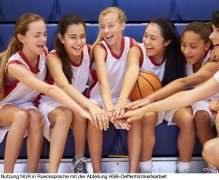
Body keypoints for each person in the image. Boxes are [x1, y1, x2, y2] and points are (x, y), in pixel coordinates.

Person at [122, 9, 219, 173]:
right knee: (211, 151)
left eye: (218, 31)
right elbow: (187, 96)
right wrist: (145, 107)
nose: (211, 36)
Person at [0, 13, 91, 173]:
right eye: (37, 36)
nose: (43, 39)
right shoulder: (15, 65)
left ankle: (32, 173)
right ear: (22, 38)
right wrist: (82, 109)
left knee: (34, 117)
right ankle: (7, 174)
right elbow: (50, 88)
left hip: (27, 106)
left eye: (44, 34)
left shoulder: (43, 53)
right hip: (5, 107)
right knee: (22, 116)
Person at [38, 14, 110, 173]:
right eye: (73, 37)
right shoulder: (53, 57)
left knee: (80, 112)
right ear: (61, 38)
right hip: (52, 102)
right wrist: (90, 106)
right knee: (68, 114)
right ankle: (52, 173)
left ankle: (79, 161)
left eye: (82, 36)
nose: (79, 42)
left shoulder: (89, 51)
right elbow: (64, 86)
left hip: (75, 101)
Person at [113, 18, 187, 173]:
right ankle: (145, 169)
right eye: (145, 35)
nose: (146, 41)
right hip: (144, 104)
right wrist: (121, 101)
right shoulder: (137, 50)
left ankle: (184, 170)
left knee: (187, 118)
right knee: (147, 116)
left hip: (169, 102)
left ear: (166, 42)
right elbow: (132, 70)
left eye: (153, 38)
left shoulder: (178, 53)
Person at [86, 7, 133, 173]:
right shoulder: (100, 48)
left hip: (123, 98)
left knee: (135, 117)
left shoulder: (132, 45)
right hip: (100, 98)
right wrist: (111, 110)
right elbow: (103, 83)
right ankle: (97, 172)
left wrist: (120, 105)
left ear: (122, 25)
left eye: (111, 26)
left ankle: (133, 172)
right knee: (96, 119)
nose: (106, 31)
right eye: (102, 26)